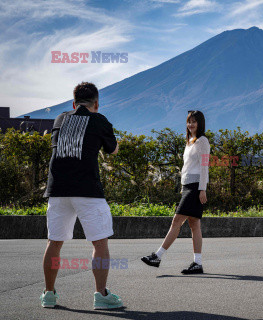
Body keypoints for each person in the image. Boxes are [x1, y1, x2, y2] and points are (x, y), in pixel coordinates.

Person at [40, 82, 123, 309]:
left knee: (54, 242)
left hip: (57, 190)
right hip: (88, 191)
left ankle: (48, 294)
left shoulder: (59, 119)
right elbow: (113, 149)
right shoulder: (99, 119)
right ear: (96, 103)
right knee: (99, 242)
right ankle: (101, 295)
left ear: (74, 103)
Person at [142, 110, 210, 274]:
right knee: (194, 225)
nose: (190, 124)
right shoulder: (190, 142)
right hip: (188, 186)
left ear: (200, 123)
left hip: (195, 187)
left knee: (176, 221)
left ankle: (157, 256)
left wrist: (202, 189)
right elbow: (187, 167)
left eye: (194, 121)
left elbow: (204, 166)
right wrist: (183, 187)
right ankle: (197, 264)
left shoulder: (202, 141)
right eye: (188, 121)